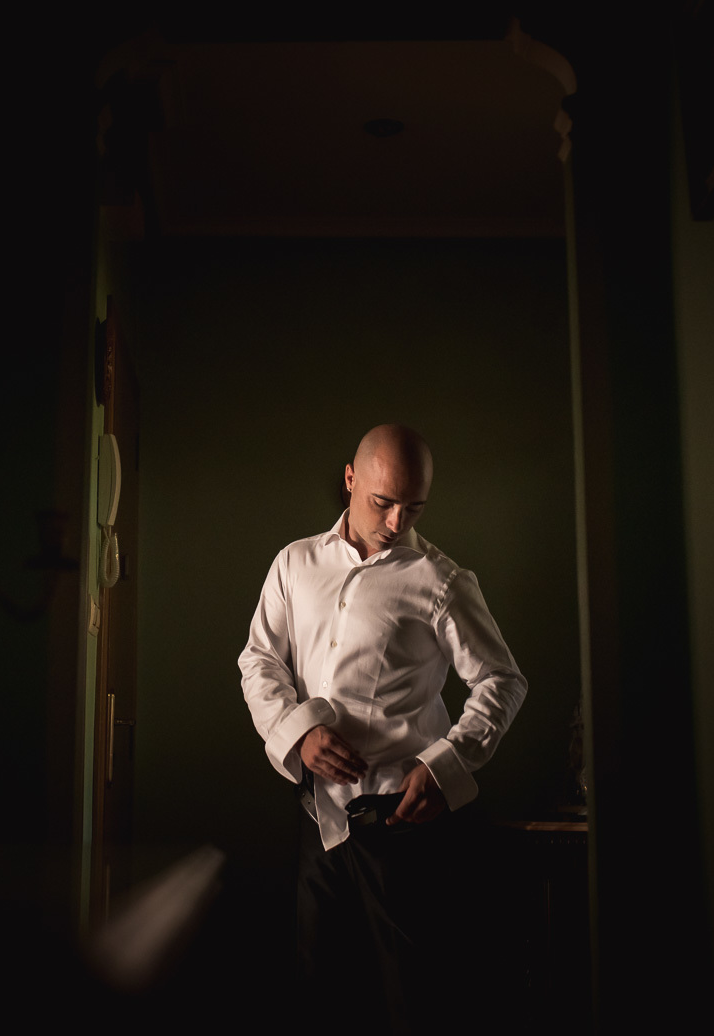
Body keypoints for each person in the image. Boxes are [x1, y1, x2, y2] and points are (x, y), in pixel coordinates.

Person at [238, 424, 527, 1032]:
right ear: (350, 479)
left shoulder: (440, 580)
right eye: (383, 502)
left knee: (412, 1005)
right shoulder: (295, 563)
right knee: (318, 998)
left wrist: (444, 766)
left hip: (403, 828)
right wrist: (296, 732)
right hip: (318, 821)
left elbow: (502, 679)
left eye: (413, 507)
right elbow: (259, 660)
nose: (397, 522)